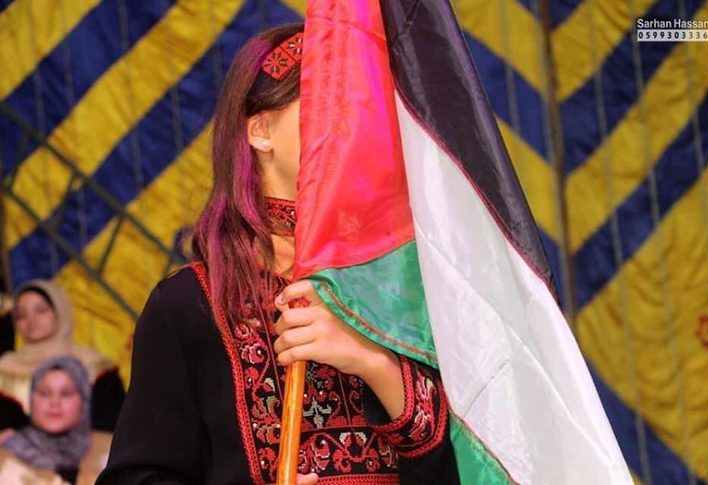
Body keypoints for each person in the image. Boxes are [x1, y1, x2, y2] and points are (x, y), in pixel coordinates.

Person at [98, 23, 458, 485]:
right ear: (261, 130)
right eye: (331, 102)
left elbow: (481, 460)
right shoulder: (189, 305)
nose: (358, 126)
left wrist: (371, 360)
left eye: (365, 107)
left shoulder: (409, 286)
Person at [0, 280, 125, 432]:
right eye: (21, 315)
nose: (30, 320)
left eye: (41, 310)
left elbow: (115, 427)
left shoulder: (95, 366)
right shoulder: (5, 371)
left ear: (60, 310)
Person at [0, 356, 92, 484]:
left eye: (66, 393)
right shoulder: (6, 451)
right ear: (31, 399)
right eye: (44, 393)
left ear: (84, 401)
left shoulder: (104, 456)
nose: (54, 402)